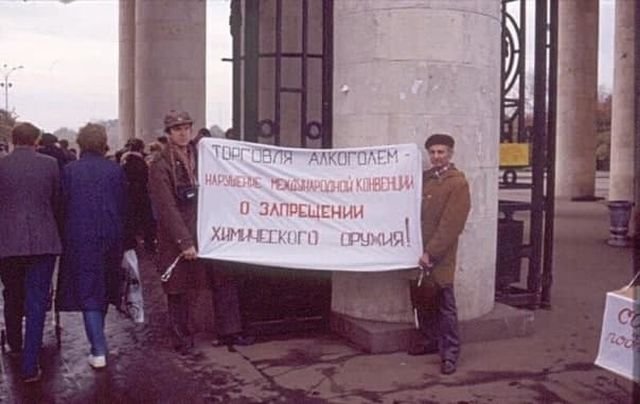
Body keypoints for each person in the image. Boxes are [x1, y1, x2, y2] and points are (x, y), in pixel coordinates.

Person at [149, 110, 250, 355]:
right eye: (177, 129)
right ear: (169, 133)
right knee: (178, 288)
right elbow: (166, 208)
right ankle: (182, 339)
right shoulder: (161, 165)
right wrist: (184, 242)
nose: (183, 133)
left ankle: (230, 331)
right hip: (179, 236)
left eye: (186, 128)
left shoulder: (205, 155)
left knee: (223, 278)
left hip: (209, 230)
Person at [55, 123, 126, 370]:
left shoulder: (69, 171)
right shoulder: (115, 170)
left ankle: (97, 349)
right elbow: (125, 205)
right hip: (111, 236)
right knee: (105, 287)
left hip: (80, 238)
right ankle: (100, 340)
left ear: (81, 143)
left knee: (88, 291)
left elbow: (61, 206)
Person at [0, 122, 62, 382]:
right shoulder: (49, 164)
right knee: (37, 302)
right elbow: (57, 200)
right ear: (35, 140)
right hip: (43, 241)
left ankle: (14, 344)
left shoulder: (1, 165)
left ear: (13, 140)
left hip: (7, 242)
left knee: (12, 294)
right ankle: (30, 364)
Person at [408, 133, 471, 376]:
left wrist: (431, 252)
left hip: (439, 256)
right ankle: (429, 341)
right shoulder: (425, 180)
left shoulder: (457, 183)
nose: (436, 156)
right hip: (417, 253)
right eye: (432, 152)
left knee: (445, 306)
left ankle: (450, 354)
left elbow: (451, 225)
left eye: (441, 152)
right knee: (422, 301)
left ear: (450, 154)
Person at [121, 138, 156, 252]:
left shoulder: (124, 161)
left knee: (131, 221)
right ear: (141, 148)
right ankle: (149, 244)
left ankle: (131, 244)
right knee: (147, 221)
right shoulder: (142, 162)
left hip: (129, 194)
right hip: (142, 194)